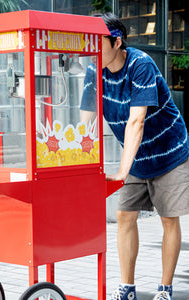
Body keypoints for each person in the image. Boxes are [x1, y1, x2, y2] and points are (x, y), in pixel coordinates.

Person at [80, 12, 189, 300]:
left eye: (96, 41)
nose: (91, 47)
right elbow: (85, 121)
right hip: (135, 153)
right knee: (124, 215)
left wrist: (121, 172)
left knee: (168, 218)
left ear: (116, 42)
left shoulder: (141, 65)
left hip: (169, 153)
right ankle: (127, 288)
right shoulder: (94, 70)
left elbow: (136, 122)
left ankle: (164, 290)